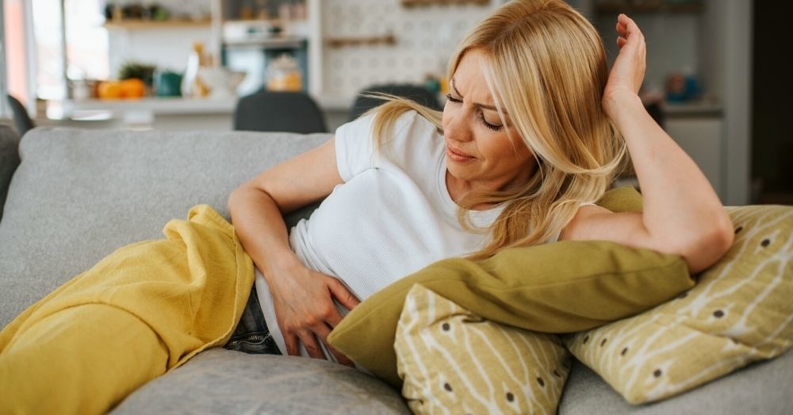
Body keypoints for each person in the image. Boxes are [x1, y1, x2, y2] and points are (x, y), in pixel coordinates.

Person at [0, 0, 734, 412]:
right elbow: (252, 195)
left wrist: (621, 103)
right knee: (39, 381)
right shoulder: (397, 133)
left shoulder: (553, 225)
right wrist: (287, 274)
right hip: (208, 277)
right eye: (454, 97)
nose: (453, 130)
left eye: (490, 118)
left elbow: (699, 235)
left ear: (547, 134)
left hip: (303, 363)